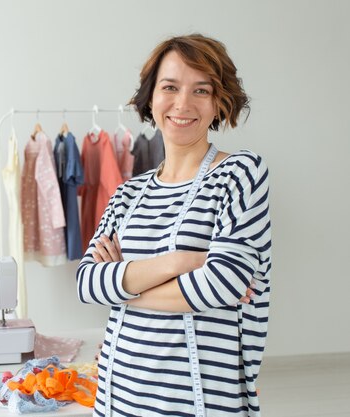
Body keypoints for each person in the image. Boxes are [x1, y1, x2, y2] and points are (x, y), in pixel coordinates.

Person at [76, 34, 271, 417]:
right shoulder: (127, 194)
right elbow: (86, 283)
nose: (183, 103)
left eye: (201, 90)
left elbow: (223, 283)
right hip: (118, 394)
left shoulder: (240, 173)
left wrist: (122, 287)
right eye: (170, 87)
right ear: (151, 97)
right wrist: (180, 262)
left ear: (219, 103)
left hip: (202, 402)